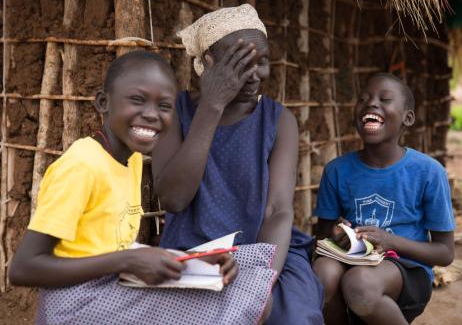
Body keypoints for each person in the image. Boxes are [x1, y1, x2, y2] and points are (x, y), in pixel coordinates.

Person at [9, 51, 276, 325]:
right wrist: (127, 260)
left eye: (164, 106)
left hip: (113, 285)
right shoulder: (82, 166)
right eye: (137, 100)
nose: (151, 114)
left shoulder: (132, 159)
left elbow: (111, 247)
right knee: (227, 303)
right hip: (74, 304)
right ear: (103, 103)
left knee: (241, 269)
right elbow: (23, 268)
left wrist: (192, 261)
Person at [152, 4, 324, 325]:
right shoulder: (176, 113)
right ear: (207, 64)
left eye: (263, 62)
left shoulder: (278, 121)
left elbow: (278, 211)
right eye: (241, 63)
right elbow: (173, 199)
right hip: (193, 258)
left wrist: (259, 280)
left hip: (266, 254)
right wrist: (212, 106)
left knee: (294, 318)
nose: (256, 74)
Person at [312, 73, 455, 325]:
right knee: (322, 273)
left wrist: (389, 240)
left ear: (407, 118)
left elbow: (444, 253)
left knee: (359, 283)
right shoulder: (337, 170)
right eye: (364, 99)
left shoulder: (428, 172)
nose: (371, 103)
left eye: (385, 99)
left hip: (406, 271)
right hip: (352, 262)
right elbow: (322, 236)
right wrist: (339, 235)